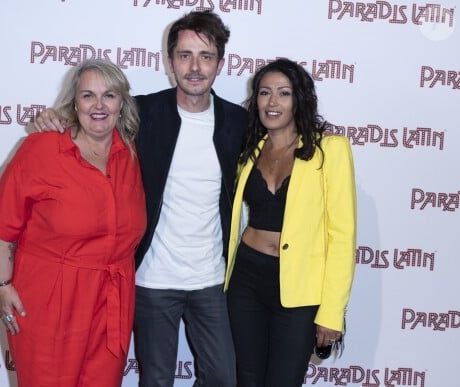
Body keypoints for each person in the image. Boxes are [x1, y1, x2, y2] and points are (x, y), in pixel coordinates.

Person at [34, 10, 245, 387]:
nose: (194, 67)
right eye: (184, 55)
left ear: (220, 64)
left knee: (222, 378)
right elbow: (93, 119)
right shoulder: (143, 112)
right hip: (151, 280)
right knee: (157, 380)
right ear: (169, 62)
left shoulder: (237, 122)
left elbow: (284, 133)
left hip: (210, 279)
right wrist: (53, 119)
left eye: (206, 56)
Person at [0, 59, 146, 387]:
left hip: (112, 300)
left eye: (109, 95)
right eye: (88, 96)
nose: (98, 105)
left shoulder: (129, 152)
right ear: (74, 102)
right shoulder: (42, 148)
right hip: (50, 299)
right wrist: (1, 286)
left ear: (122, 103)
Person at [224, 58, 357, 386]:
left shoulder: (330, 150)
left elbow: (342, 235)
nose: (272, 102)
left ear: (299, 98)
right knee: (248, 378)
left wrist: (331, 312)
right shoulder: (249, 150)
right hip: (246, 279)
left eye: (283, 93)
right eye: (265, 92)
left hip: (299, 288)